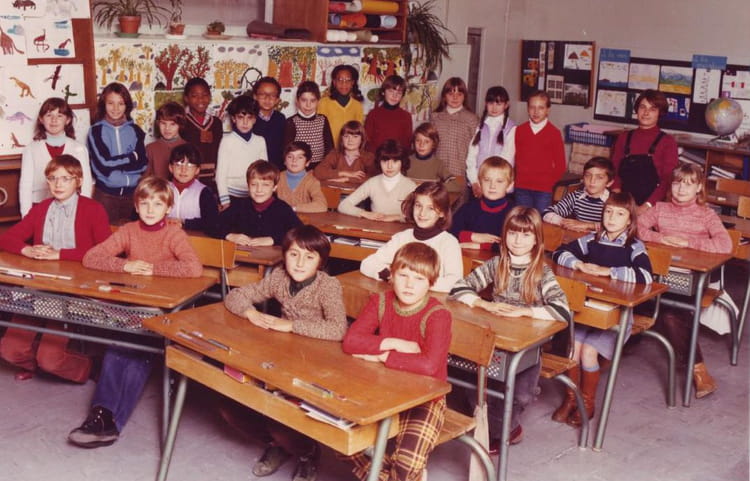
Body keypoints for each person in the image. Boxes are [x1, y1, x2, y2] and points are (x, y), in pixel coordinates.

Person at [68, 176, 202, 448]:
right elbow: (91, 257)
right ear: (136, 206)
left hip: (161, 312)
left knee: (131, 351)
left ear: (168, 208)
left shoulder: (174, 234)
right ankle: (103, 417)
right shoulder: (129, 230)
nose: (151, 210)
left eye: (158, 204)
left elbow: (193, 268)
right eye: (145, 203)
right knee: (120, 348)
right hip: (131, 309)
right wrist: (124, 266)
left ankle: (107, 420)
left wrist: (154, 269)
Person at [224, 225, 347, 481]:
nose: (300, 263)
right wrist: (250, 313)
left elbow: (338, 329)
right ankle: (279, 445)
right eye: (293, 254)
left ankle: (306, 453)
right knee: (230, 406)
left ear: (321, 262)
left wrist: (291, 326)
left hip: (317, 361)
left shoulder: (328, 286)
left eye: (309, 257)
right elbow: (237, 295)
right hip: (283, 352)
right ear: (284, 255)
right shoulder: (279, 277)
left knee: (282, 418)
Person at [450, 206, 571, 449]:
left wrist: (524, 311)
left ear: (536, 239)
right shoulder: (497, 264)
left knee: (520, 394)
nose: (517, 240)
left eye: (526, 235)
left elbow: (562, 310)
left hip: (528, 345)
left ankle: (507, 429)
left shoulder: (541, 272)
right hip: (495, 338)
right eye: (512, 233)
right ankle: (496, 430)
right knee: (477, 386)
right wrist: (484, 304)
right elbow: (459, 288)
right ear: (504, 235)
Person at [343, 242, 452, 481]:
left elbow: (429, 366)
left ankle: (403, 475)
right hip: (384, 390)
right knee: (342, 438)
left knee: (405, 465)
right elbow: (351, 341)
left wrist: (382, 355)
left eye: (419, 279)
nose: (409, 285)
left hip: (425, 398)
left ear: (431, 283)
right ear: (391, 275)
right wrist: (395, 343)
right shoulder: (381, 301)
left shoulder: (438, 315)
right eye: (403, 276)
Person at [0, 155, 110, 383]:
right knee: (10, 350)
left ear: (79, 181)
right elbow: (7, 238)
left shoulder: (93, 208)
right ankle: (37, 365)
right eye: (52, 178)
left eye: (65, 178)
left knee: (51, 359)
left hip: (72, 290)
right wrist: (26, 250)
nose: (58, 184)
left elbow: (106, 252)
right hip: (39, 286)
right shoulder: (41, 209)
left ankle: (89, 367)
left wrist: (61, 254)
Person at [552, 192, 653, 425]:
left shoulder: (634, 246)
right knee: (573, 350)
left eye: (619, 214)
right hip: (588, 312)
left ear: (630, 220)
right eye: (608, 212)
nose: (612, 218)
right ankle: (571, 398)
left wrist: (608, 272)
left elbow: (646, 276)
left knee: (589, 351)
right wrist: (578, 264)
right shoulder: (592, 239)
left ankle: (587, 403)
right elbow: (559, 252)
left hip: (617, 316)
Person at [637, 163, 732, 398]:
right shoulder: (660, 209)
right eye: (677, 183)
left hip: (691, 279)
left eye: (689, 184)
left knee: (671, 315)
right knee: (632, 300)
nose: (681, 189)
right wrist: (661, 238)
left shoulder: (707, 214)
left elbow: (725, 244)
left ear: (699, 188)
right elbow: (635, 228)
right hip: (658, 276)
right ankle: (604, 354)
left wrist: (688, 242)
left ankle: (698, 370)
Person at [360, 181, 462, 292]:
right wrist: (388, 275)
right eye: (418, 206)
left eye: (431, 208)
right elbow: (367, 263)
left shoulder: (449, 243)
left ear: (442, 212)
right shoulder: (401, 238)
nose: (422, 213)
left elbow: (455, 282)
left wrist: (418, 283)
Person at [19, 97, 93, 217]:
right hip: (39, 207)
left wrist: (82, 212)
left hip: (71, 208)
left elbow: (86, 184)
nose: (54, 120)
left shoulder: (79, 149)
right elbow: (25, 186)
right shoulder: (31, 149)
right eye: (49, 115)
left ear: (68, 120)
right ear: (41, 119)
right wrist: (26, 216)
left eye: (59, 116)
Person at [87, 82, 147, 222]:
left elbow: (143, 164)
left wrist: (116, 166)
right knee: (105, 234)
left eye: (120, 103)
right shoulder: (95, 131)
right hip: (106, 196)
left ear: (127, 106)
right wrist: (132, 157)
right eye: (110, 103)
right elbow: (104, 163)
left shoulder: (136, 130)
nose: (115, 108)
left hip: (133, 195)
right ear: (104, 104)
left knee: (133, 235)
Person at [611, 89, 679, 211]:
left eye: (652, 109)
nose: (646, 113)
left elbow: (668, 180)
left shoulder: (668, 141)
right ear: (637, 110)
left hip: (653, 205)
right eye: (642, 107)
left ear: (660, 113)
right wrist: (619, 201)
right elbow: (614, 172)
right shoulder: (624, 137)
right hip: (624, 204)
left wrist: (646, 206)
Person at [500, 90, 566, 213]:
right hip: (522, 187)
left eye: (541, 108)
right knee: (521, 218)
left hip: (543, 190)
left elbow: (561, 166)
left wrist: (548, 183)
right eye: (532, 107)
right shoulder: (518, 131)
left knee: (539, 219)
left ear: (548, 110)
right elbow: (508, 160)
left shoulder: (554, 133)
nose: (536, 112)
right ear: (527, 109)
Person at [217, 161, 302, 247]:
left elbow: (300, 233)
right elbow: (213, 224)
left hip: (272, 254)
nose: (259, 190)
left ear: (274, 187)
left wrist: (273, 240)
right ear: (248, 186)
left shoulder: (283, 209)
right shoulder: (240, 206)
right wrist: (229, 236)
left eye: (265, 185)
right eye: (254, 184)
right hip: (245, 253)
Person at [338, 140, 417, 222]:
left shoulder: (410, 186)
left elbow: (418, 214)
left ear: (402, 162)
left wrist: (397, 217)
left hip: (400, 229)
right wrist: (364, 213)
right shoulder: (372, 183)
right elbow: (343, 205)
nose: (389, 166)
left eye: (395, 161)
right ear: (379, 162)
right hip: (375, 228)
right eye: (385, 161)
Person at [450, 156, 515, 251]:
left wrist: (481, 246)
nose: (492, 186)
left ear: (509, 186)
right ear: (479, 183)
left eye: (499, 181)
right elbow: (449, 233)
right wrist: (473, 236)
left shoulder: (514, 214)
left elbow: (516, 244)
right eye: (487, 180)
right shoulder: (468, 209)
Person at [216, 95, 268, 209]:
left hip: (254, 195)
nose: (245, 122)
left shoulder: (260, 141)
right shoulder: (227, 140)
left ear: (255, 119)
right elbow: (220, 175)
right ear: (233, 119)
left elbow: (264, 172)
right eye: (240, 117)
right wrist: (225, 201)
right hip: (231, 196)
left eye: (249, 118)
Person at [466, 86, 515, 198]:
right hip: (478, 184)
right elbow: (471, 156)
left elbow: (507, 159)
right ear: (486, 104)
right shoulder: (480, 126)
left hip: (498, 185)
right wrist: (474, 181)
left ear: (506, 105)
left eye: (499, 103)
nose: (494, 107)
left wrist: (490, 183)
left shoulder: (511, 128)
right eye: (491, 103)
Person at [542, 157, 615, 232]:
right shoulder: (576, 196)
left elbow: (618, 226)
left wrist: (588, 225)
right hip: (579, 236)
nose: (592, 181)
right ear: (583, 178)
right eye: (588, 175)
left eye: (599, 177)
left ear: (609, 183)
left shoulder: (614, 201)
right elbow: (546, 213)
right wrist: (563, 222)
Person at [430, 77, 479, 179]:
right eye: (451, 94)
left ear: (464, 96)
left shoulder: (472, 119)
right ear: (444, 96)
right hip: (437, 171)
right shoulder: (435, 117)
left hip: (460, 171)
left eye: (459, 94)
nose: (455, 98)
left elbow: (476, 148)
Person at [166, 144, 220, 235]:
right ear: (171, 168)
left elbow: (212, 222)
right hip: (165, 237)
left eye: (190, 165)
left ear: (197, 170)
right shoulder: (161, 189)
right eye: (178, 165)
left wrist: (184, 222)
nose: (183, 170)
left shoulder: (204, 192)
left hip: (195, 238)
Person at [181, 77, 223, 180]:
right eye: (194, 96)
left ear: (210, 97)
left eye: (205, 95)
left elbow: (220, 151)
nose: (200, 99)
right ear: (186, 98)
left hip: (213, 177)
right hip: (188, 177)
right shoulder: (181, 122)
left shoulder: (216, 123)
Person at [284, 80, 334, 166]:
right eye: (304, 100)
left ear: (318, 101)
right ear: (297, 101)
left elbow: (329, 147)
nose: (308, 105)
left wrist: (326, 166)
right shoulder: (291, 122)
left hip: (320, 166)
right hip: (298, 167)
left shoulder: (323, 120)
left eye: (313, 101)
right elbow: (287, 150)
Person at [317, 64, 364, 146]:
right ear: (334, 82)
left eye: (348, 80)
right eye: (340, 80)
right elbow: (319, 130)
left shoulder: (357, 105)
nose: (344, 84)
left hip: (350, 149)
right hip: (329, 149)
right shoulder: (323, 103)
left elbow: (359, 131)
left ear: (353, 82)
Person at [364, 74, 412, 152]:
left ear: (402, 96)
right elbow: (367, 142)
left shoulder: (406, 116)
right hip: (376, 157)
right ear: (383, 92)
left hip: (397, 158)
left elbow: (407, 144)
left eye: (399, 93)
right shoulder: (373, 114)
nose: (394, 96)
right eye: (391, 91)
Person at [277, 141, 327, 213]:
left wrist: (293, 208)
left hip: (303, 219)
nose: (294, 160)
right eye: (290, 157)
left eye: (300, 157)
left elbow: (322, 205)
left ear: (307, 163)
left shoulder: (311, 182)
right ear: (285, 161)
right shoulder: (277, 177)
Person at [145, 101, 187, 180]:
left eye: (173, 124)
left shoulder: (188, 148)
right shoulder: (150, 149)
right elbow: (146, 179)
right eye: (163, 123)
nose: (167, 128)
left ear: (180, 125)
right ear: (158, 123)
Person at [252, 76, 286, 170]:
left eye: (272, 95)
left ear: (277, 99)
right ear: (255, 96)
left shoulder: (280, 118)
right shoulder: (248, 119)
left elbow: (282, 147)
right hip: (254, 168)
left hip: (276, 168)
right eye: (263, 94)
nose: (267, 98)